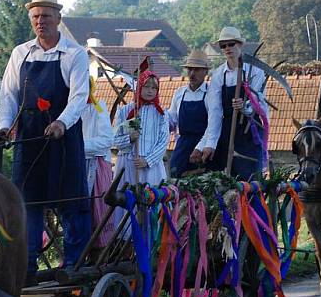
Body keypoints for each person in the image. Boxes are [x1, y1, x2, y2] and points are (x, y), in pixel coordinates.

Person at [0, 0, 91, 285]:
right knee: (28, 201)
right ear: (31, 20)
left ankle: (74, 264)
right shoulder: (20, 53)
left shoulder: (74, 54)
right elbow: (8, 95)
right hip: (29, 138)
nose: (41, 21)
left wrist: (62, 123)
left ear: (58, 18)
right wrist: (5, 125)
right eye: (36, 16)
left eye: (47, 16)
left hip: (63, 139)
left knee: (69, 201)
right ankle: (27, 266)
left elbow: (78, 97)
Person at [200, 26, 269, 180]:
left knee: (249, 178)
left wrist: (245, 106)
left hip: (249, 130)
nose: (227, 48)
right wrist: (210, 143)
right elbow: (215, 110)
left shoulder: (255, 71)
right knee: (222, 178)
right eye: (223, 46)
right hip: (228, 130)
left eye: (231, 44)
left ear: (239, 44)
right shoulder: (218, 75)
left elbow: (259, 101)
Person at [113, 69, 169, 187]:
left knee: (150, 198)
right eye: (146, 87)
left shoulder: (161, 114)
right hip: (129, 165)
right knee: (128, 198)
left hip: (152, 168)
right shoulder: (125, 111)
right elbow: (115, 140)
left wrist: (147, 161)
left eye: (154, 88)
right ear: (139, 87)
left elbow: (163, 141)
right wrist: (129, 138)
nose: (150, 91)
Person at [82, 76, 114, 245]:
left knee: (96, 211)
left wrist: (79, 147)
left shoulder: (98, 107)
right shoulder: (67, 111)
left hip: (96, 165)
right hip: (76, 165)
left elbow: (108, 140)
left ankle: (98, 251)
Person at [168, 49, 210, 178]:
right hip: (183, 145)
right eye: (190, 69)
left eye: (196, 70)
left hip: (204, 146)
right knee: (175, 178)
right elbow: (172, 120)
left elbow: (214, 126)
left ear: (205, 72)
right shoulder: (180, 93)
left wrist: (200, 148)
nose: (192, 73)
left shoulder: (211, 93)